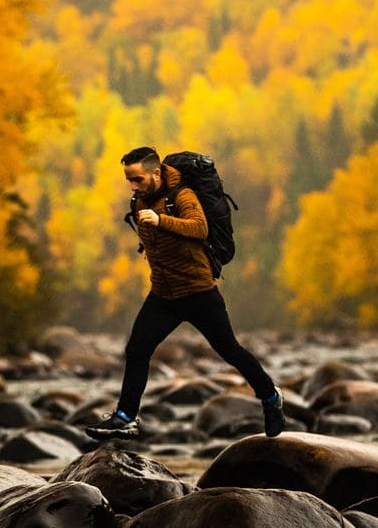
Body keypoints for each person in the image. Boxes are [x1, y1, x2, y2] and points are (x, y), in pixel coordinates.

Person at [85, 146, 286, 440]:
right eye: (129, 180)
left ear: (156, 173)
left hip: (198, 292)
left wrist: (160, 219)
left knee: (229, 350)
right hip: (163, 295)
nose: (133, 186)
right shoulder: (141, 198)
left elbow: (200, 228)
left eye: (138, 179)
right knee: (137, 350)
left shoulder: (182, 196)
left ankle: (271, 397)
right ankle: (126, 417)